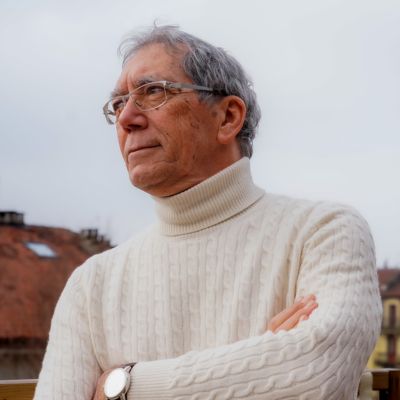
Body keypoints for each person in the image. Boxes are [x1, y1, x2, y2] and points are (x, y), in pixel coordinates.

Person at [34, 25, 382, 400]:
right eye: (118, 103)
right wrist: (263, 363)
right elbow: (291, 378)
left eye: (153, 92)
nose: (126, 118)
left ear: (228, 117)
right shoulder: (92, 285)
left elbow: (316, 371)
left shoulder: (325, 233)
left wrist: (122, 386)